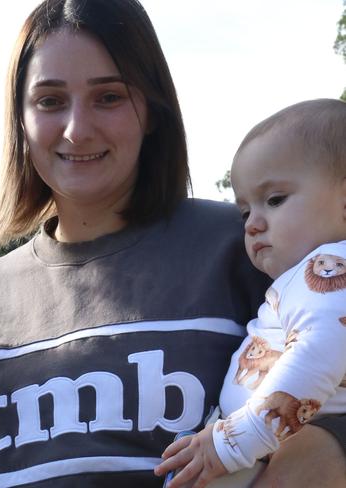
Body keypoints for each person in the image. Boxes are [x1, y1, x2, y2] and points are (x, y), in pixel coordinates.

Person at [0, 1, 346, 486]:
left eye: (108, 97)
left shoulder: (251, 247)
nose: (77, 129)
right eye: (49, 101)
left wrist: (327, 450)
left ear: (151, 110)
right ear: (19, 119)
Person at [155, 99, 346, 486]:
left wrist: (231, 445)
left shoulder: (329, 270)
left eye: (274, 200)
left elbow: (318, 353)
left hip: (270, 452)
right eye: (245, 212)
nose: (254, 224)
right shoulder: (303, 278)